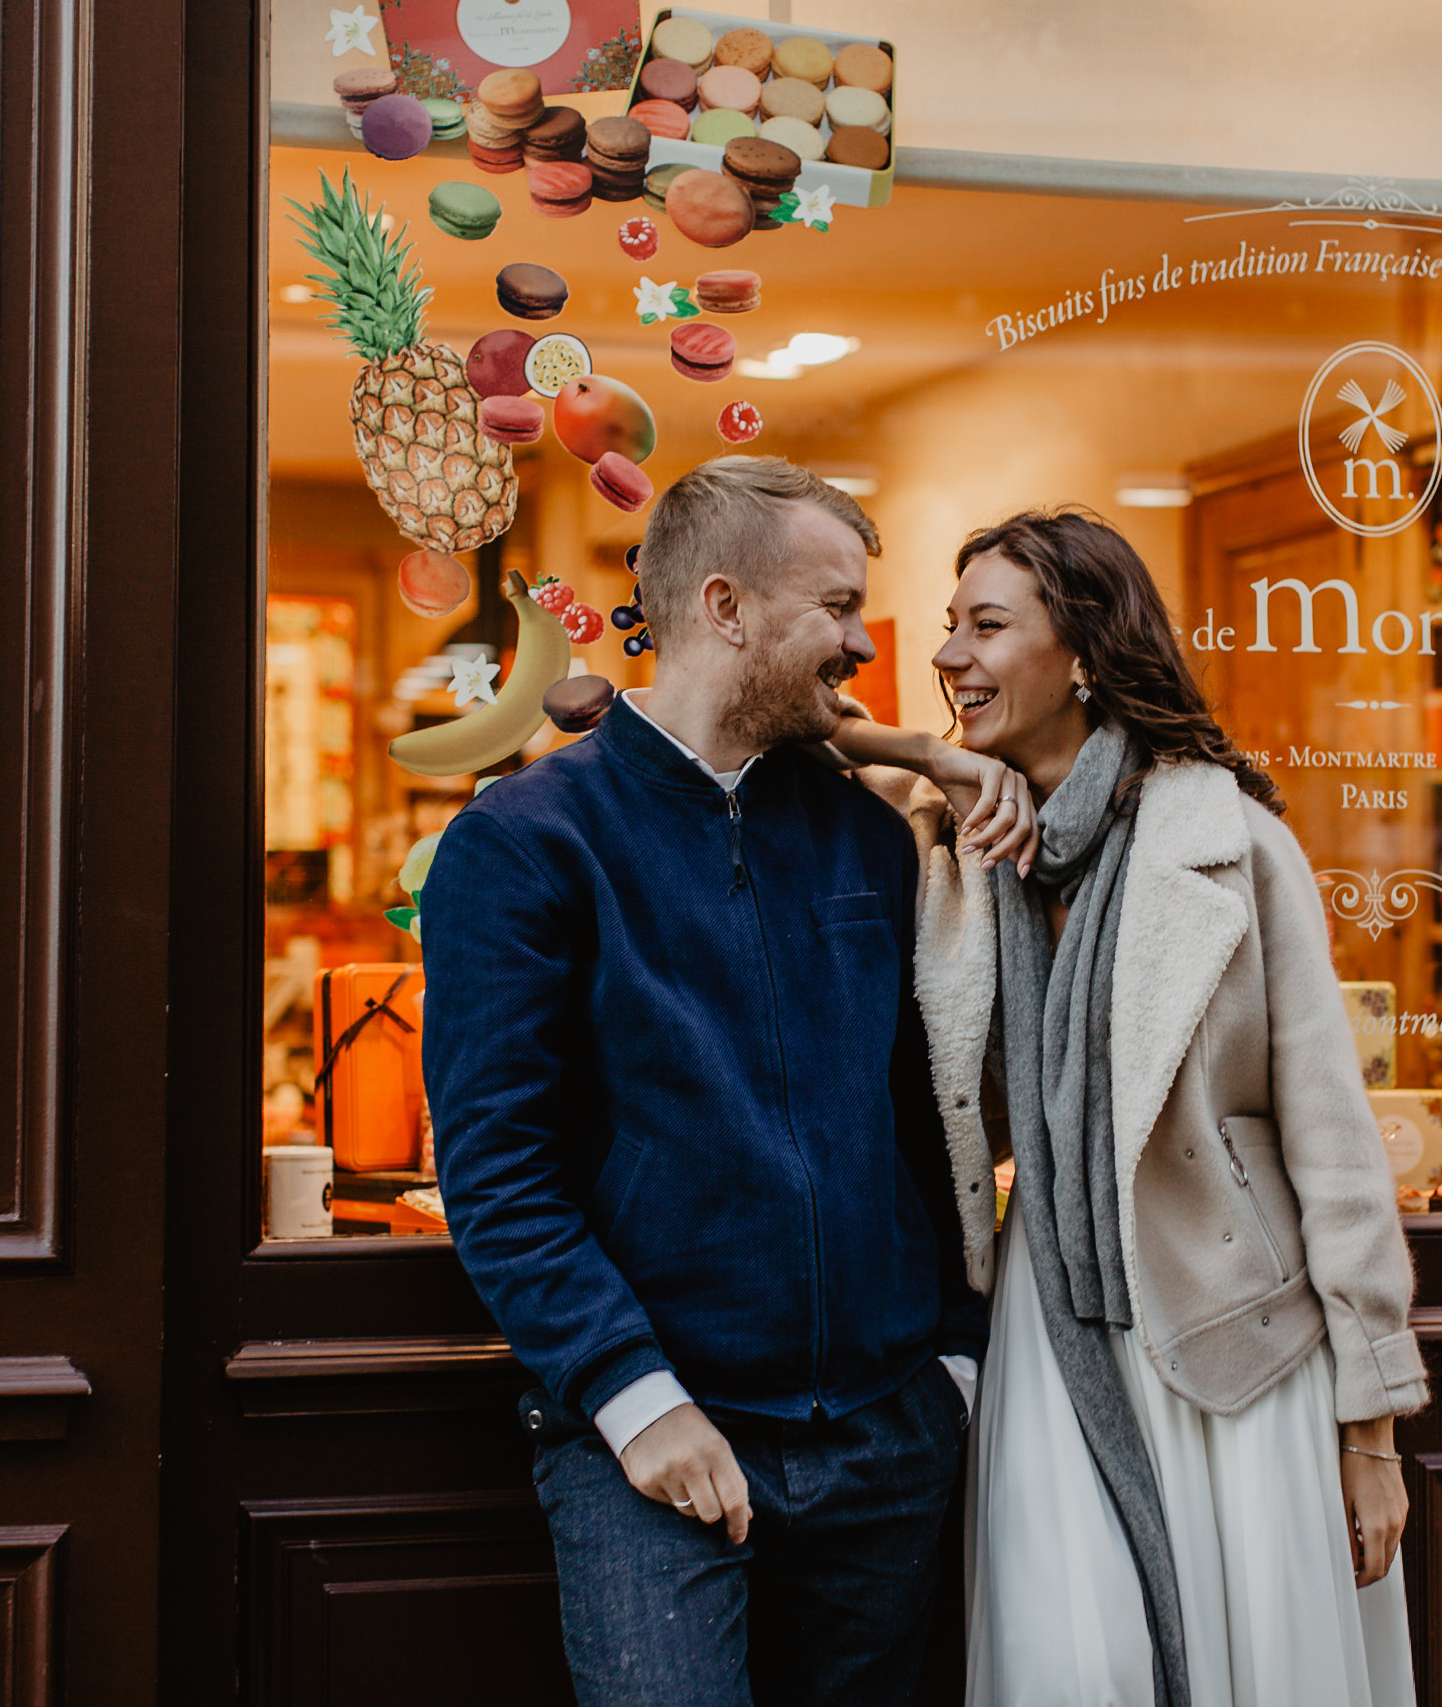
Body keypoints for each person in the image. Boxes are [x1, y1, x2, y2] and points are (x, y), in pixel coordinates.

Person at [419, 457, 1025, 1705]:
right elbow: (497, 1172)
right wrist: (635, 1401)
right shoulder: (524, 845)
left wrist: (954, 1371)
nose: (866, 642)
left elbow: (925, 1126)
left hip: (888, 1437)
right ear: (725, 607)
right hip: (656, 1442)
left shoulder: (869, 836)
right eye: (838, 607)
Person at [829, 507, 1429, 1707]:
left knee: (1250, 1672)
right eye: (950, 625)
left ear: (1085, 654)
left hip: (1229, 1330)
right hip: (1047, 1330)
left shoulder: (1231, 845)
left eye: (986, 626)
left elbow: (1331, 1139)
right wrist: (935, 757)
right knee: (1067, 1669)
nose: (947, 655)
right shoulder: (953, 845)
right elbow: (784, 718)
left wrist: (1371, 1431)